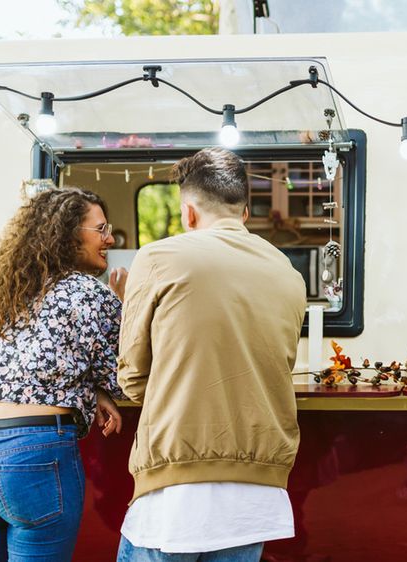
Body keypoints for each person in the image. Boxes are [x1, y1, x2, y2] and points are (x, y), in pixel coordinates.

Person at [116, 148, 307, 562]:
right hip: (257, 495)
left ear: (188, 213)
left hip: (174, 492)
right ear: (245, 212)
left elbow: (132, 377)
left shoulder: (157, 258)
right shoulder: (289, 274)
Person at [0, 187, 127, 561]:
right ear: (68, 233)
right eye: (101, 229)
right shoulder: (88, 294)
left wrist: (82, 389)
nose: (110, 238)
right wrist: (125, 308)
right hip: (35, 455)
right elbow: (124, 377)